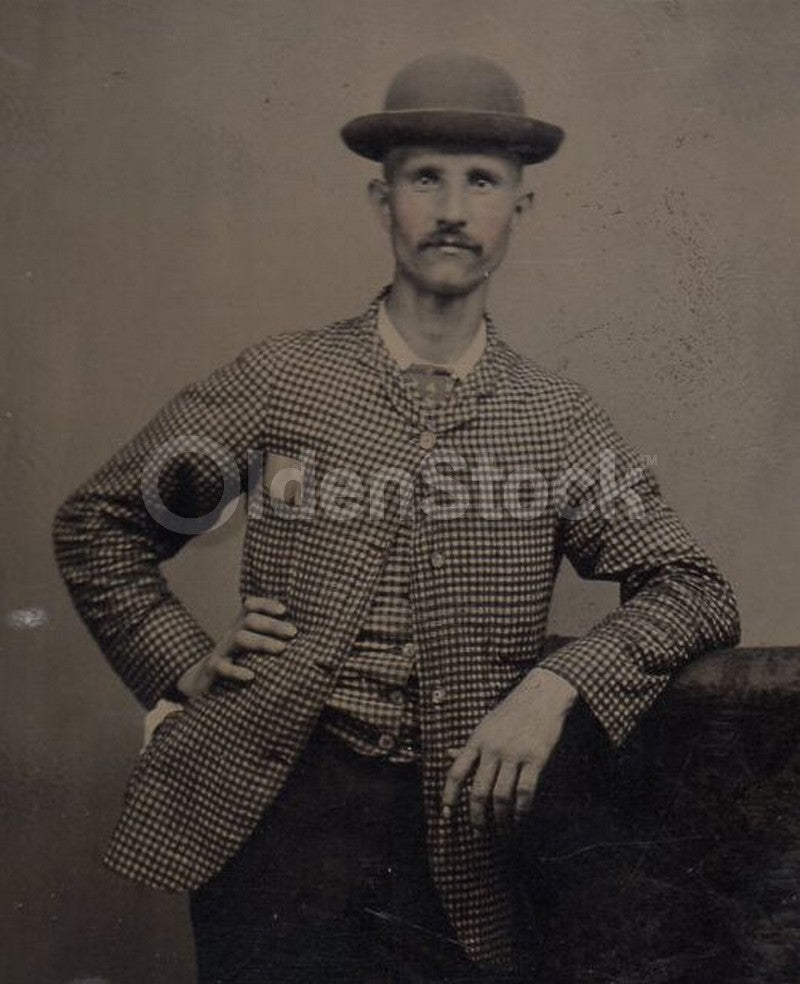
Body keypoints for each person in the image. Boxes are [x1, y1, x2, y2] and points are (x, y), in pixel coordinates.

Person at [53, 52, 740, 983]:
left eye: (482, 181)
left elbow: (691, 590)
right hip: (274, 819)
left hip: (462, 837)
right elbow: (99, 525)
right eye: (425, 177)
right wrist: (182, 663)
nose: (453, 209)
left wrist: (553, 688)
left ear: (518, 209)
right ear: (383, 201)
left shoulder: (556, 419)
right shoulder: (284, 379)